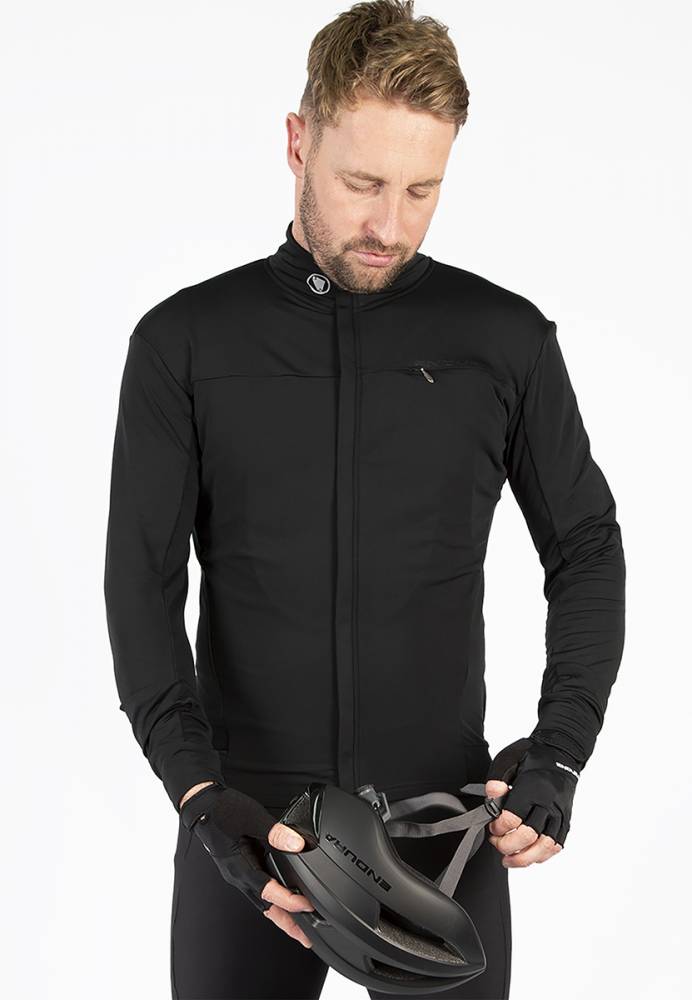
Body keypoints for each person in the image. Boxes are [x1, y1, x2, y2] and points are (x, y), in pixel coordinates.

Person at [103, 1, 626, 997]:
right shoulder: (185, 345)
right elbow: (140, 583)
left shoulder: (502, 341)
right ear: (297, 143)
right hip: (249, 829)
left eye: (422, 190)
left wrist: (559, 752)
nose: (390, 225)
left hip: (444, 834)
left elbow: (586, 548)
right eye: (362, 184)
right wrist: (197, 789)